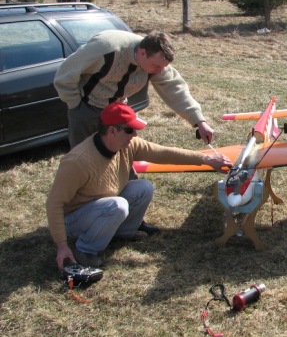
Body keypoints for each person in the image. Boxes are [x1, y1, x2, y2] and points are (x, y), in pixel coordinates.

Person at [46, 102, 232, 270]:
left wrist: (207, 159)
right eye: (130, 130)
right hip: (73, 219)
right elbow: (54, 204)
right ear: (112, 131)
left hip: (103, 206)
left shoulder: (128, 145)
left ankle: (123, 233)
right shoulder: (78, 162)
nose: (134, 135)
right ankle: (85, 250)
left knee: (143, 188)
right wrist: (62, 246)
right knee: (117, 206)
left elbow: (164, 153)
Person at [54, 29, 215, 149]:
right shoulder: (106, 47)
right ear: (143, 53)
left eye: (163, 67)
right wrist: (76, 105)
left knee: (123, 158)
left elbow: (175, 89)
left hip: (118, 110)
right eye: (157, 66)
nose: (160, 71)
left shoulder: (156, 61)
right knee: (85, 158)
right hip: (87, 107)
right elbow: (65, 74)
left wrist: (199, 121)